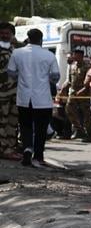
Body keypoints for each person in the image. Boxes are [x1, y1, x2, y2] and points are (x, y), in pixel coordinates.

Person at [11, 29, 61, 166]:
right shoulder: (49, 55)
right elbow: (56, 76)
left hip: (23, 97)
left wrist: (21, 77)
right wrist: (46, 79)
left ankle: (27, 148)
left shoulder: (17, 53)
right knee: (41, 128)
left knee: (25, 125)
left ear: (28, 38)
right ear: (41, 39)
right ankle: (38, 156)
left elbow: (11, 73)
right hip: (42, 98)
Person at [0, 22, 17, 160]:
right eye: (2, 33)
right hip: (2, 93)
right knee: (1, 122)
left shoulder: (15, 49)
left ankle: (10, 148)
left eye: (8, 33)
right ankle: (4, 149)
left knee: (12, 122)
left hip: (15, 93)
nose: (5, 35)